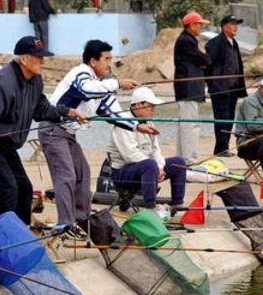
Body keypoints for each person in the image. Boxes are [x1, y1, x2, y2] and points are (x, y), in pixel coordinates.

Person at [0, 36, 84, 224]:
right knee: (8, 189)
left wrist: (68, 112)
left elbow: (42, 110)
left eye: (43, 57)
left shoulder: (35, 80)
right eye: (38, 57)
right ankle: (1, 238)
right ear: (23, 59)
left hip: (6, 142)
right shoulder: (4, 82)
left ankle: (20, 233)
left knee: (25, 189)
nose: (42, 62)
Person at [38, 39, 147, 228]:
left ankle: (82, 219)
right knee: (66, 176)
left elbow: (113, 113)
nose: (109, 64)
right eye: (106, 59)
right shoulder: (81, 73)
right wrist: (118, 83)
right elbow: (86, 90)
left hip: (67, 134)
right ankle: (65, 223)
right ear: (93, 62)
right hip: (52, 130)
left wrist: (138, 126)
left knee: (83, 173)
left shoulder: (101, 86)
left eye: (110, 59)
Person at [108, 87, 186, 220]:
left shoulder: (148, 121)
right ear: (138, 105)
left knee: (179, 162)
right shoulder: (123, 122)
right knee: (150, 164)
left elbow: (156, 150)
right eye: (150, 106)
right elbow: (130, 155)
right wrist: (155, 168)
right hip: (122, 173)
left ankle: (177, 205)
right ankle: (151, 208)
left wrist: (160, 167)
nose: (153, 109)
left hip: (146, 168)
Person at [205, 15, 247, 156]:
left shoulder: (233, 43)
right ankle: (220, 149)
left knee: (229, 118)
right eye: (232, 24)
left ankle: (225, 147)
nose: (236, 27)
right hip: (220, 89)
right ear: (224, 27)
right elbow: (208, 65)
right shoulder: (215, 43)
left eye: (237, 24)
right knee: (221, 119)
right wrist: (214, 84)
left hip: (233, 88)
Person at [174, 12, 212, 163]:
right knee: (190, 125)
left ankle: (181, 158)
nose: (201, 27)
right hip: (188, 88)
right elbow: (204, 59)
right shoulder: (186, 41)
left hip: (188, 88)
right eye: (199, 24)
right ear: (191, 25)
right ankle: (189, 159)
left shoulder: (187, 40)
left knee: (185, 124)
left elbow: (200, 61)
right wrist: (206, 56)